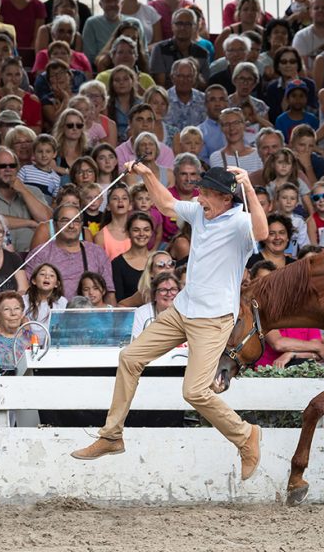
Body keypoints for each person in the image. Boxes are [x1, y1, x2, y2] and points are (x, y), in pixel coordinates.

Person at [71, 162, 267, 484]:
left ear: (223, 197)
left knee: (194, 391)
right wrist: (145, 173)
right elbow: (165, 204)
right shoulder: (200, 212)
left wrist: (247, 187)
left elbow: (262, 232)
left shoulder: (239, 222)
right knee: (130, 357)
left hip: (213, 320)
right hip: (182, 309)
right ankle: (111, 436)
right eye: (200, 191)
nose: (198, 196)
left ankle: (246, 436)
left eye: (205, 192)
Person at [25, 203, 115, 302]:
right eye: (65, 221)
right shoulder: (40, 254)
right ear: (54, 225)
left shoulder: (97, 252)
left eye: (76, 221)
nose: (71, 226)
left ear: (81, 225)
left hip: (90, 314)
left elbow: (109, 293)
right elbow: (28, 292)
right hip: (51, 313)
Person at [0, 146, 52, 254]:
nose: (8, 169)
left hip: (33, 256)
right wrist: (30, 223)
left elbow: (47, 219)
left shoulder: (33, 191)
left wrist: (24, 191)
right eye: (2, 166)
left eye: (12, 166)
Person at [149, 8, 209, 89]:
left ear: (195, 27)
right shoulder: (160, 49)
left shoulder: (202, 53)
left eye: (188, 24)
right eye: (179, 23)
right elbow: (160, 84)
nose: (182, 28)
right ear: (172, 26)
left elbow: (204, 84)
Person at [265, 47, 318, 124]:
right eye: (283, 62)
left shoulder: (309, 84)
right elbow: (273, 118)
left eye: (292, 61)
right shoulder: (272, 88)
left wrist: (297, 86)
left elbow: (313, 114)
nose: (288, 65)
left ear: (298, 65)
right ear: (278, 66)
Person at [110, 211, 153, 301]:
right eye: (136, 230)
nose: (142, 234)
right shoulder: (117, 264)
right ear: (128, 233)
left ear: (151, 232)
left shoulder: (158, 259)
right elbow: (118, 301)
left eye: (146, 229)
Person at [209, 107, 263, 173]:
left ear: (244, 125)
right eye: (227, 124)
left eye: (236, 123)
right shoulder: (216, 157)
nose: (232, 128)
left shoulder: (258, 154)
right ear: (221, 128)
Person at [130, 271, 181, 339]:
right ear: (154, 295)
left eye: (173, 289)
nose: (169, 294)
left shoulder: (187, 312)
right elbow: (135, 341)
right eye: (163, 290)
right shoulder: (141, 313)